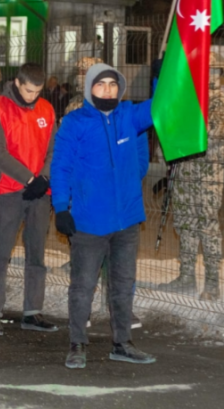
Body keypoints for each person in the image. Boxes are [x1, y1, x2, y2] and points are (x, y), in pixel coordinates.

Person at [51, 63, 155, 369]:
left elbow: (162, 105)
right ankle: (77, 343)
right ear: (89, 88)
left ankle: (122, 343)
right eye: (101, 84)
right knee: (83, 286)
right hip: (89, 221)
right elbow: (61, 167)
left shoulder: (129, 116)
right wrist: (60, 207)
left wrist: (171, 72)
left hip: (127, 220)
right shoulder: (75, 122)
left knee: (123, 285)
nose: (107, 89)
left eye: (113, 84)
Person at [0, 63, 58, 337]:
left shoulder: (47, 109)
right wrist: (29, 178)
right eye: (28, 91)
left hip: (40, 194)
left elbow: (53, 148)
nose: (32, 96)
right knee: (0, 253)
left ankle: (32, 312)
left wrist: (44, 180)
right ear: (17, 83)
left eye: (37, 92)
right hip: (10, 191)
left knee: (36, 254)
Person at [159, 71, 224, 301]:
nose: (207, 76)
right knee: (185, 224)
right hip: (185, 174)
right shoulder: (189, 101)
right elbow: (170, 131)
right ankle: (186, 276)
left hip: (208, 178)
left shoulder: (219, 103)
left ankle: (213, 281)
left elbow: (208, 132)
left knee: (208, 228)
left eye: (212, 72)